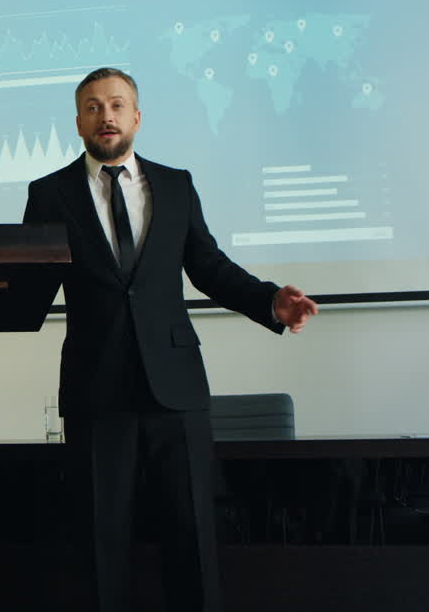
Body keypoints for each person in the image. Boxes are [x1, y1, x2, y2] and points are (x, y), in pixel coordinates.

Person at [23, 67, 318, 612]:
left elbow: (208, 266)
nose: (104, 115)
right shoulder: (49, 194)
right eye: (92, 106)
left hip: (176, 387)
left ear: (136, 116)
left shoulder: (176, 184)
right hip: (95, 388)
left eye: (115, 105)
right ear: (78, 121)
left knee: (192, 535)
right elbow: (29, 286)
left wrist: (270, 300)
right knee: (99, 538)